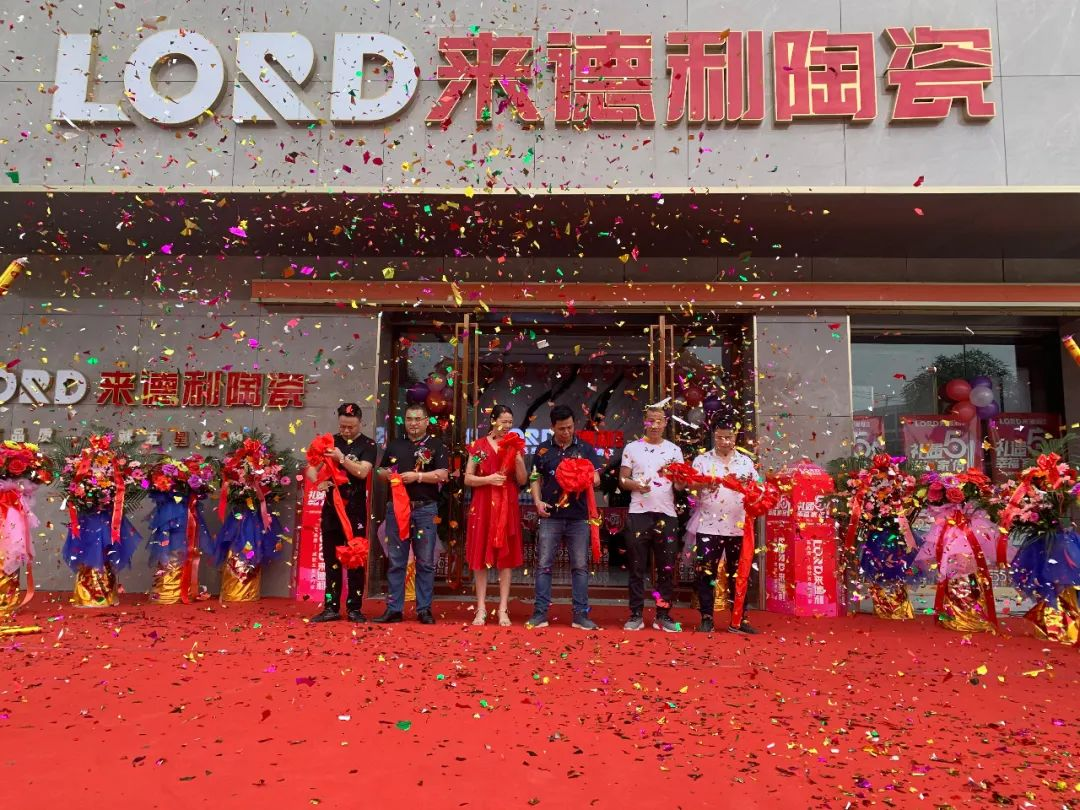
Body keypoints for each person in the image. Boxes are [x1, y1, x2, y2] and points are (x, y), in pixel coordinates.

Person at [526, 404, 602, 630]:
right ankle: (540, 613)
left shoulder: (585, 449)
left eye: (569, 427)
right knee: (544, 565)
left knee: (580, 566)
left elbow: (597, 479)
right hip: (551, 515)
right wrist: (537, 501)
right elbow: (534, 478)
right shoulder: (542, 450)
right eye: (561, 428)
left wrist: (581, 476)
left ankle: (580, 614)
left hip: (578, 516)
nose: (566, 432)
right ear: (552, 427)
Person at [373, 403, 449, 624]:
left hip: (425, 509)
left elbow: (443, 474)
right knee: (397, 561)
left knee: (425, 561)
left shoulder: (436, 445)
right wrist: (388, 475)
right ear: (404, 421)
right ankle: (394, 609)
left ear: (426, 421)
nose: (413, 423)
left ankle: (424, 609)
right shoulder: (395, 445)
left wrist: (418, 477)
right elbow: (381, 470)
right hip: (397, 509)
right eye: (409, 419)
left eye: (417, 419)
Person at [690, 419, 761, 635]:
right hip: (708, 526)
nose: (724, 441)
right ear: (714, 436)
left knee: (738, 575)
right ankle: (707, 617)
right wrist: (705, 483)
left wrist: (754, 492)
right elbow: (690, 485)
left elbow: (758, 487)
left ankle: (739, 619)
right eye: (720, 437)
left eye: (728, 437)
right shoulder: (702, 460)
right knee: (706, 574)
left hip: (738, 527)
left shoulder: (745, 462)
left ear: (735, 436)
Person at [308, 403, 378, 623]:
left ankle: (354, 608)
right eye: (343, 426)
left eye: (351, 427)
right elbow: (311, 468)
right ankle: (331, 607)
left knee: (355, 558)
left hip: (355, 511)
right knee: (331, 560)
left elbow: (363, 471)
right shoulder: (329, 442)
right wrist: (318, 482)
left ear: (360, 423)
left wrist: (341, 458)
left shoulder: (368, 444)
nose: (346, 431)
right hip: (331, 510)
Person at [619, 406, 685, 632]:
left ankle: (663, 615)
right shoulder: (632, 448)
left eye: (659, 421)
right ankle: (636, 614)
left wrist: (682, 482)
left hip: (667, 514)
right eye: (650, 421)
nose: (655, 425)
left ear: (665, 423)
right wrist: (636, 485)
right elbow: (622, 480)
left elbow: (679, 485)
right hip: (638, 514)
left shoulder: (674, 450)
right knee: (637, 567)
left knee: (666, 568)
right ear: (644, 422)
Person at [463, 405, 528, 626]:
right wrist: (488, 479)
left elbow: (522, 480)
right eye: (503, 421)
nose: (507, 426)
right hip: (483, 504)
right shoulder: (479, 446)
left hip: (507, 504)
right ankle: (481, 607)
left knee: (505, 557)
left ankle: (503, 608)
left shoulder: (514, 445)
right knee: (480, 554)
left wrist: (518, 460)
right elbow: (468, 478)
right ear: (493, 420)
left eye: (510, 422)